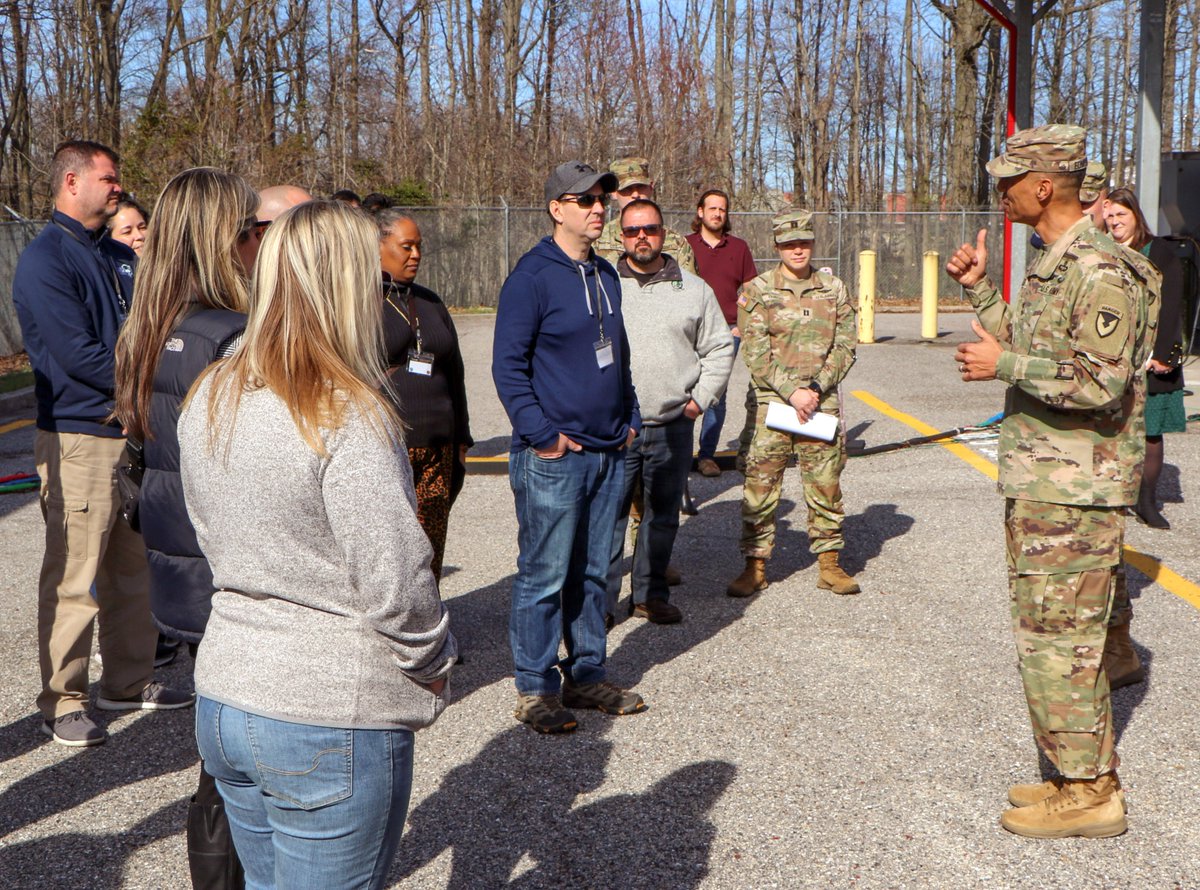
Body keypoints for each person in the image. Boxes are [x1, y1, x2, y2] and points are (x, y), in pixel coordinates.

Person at [180, 200, 455, 888]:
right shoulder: (347, 411)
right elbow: (396, 576)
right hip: (327, 715)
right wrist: (432, 660)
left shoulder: (213, 390)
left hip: (227, 695)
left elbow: (209, 532)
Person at [947, 124, 1158, 839]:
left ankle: (1093, 791)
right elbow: (1026, 337)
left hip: (1077, 492)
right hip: (1046, 484)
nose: (999, 192)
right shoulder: (1053, 262)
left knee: (1064, 642)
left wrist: (1001, 367)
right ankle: (1073, 775)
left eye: (1008, 180)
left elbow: (1100, 382)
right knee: (1049, 640)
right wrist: (979, 292)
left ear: (1044, 187)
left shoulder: (1104, 269)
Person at [12, 140, 193, 748]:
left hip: (130, 431)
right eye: (108, 179)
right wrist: (150, 383)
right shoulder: (46, 261)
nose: (118, 187)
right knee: (75, 574)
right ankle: (63, 699)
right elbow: (77, 356)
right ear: (72, 181)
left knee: (130, 567)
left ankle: (127, 679)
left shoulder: (116, 254)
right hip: (80, 437)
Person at [112, 167, 259, 887]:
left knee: (217, 762)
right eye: (251, 228)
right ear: (223, 240)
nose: (260, 241)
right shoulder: (232, 339)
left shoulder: (149, 327)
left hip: (179, 572)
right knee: (241, 770)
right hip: (228, 575)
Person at [492, 160, 645, 733]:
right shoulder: (531, 277)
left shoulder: (606, 275)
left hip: (609, 450)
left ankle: (586, 675)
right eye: (584, 201)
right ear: (557, 209)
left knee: (593, 573)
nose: (598, 208)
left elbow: (619, 354)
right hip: (557, 457)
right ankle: (535, 689)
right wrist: (542, 435)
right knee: (544, 575)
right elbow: (508, 367)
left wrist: (628, 416)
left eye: (601, 199)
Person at [605, 199, 733, 624]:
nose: (641, 237)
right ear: (620, 237)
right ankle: (600, 605)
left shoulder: (695, 289)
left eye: (650, 229)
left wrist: (699, 400)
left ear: (665, 233)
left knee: (661, 519)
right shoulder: (604, 284)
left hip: (672, 424)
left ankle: (649, 595)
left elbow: (718, 348)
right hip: (616, 427)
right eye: (632, 231)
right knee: (607, 522)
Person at [727, 209, 860, 599]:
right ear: (777, 246)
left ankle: (830, 564)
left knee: (825, 485)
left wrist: (816, 387)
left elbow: (846, 346)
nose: (797, 249)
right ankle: (755, 566)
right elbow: (754, 351)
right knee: (760, 486)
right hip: (773, 403)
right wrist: (792, 391)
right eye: (788, 243)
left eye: (803, 242)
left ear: (813, 243)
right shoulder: (758, 291)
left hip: (821, 402)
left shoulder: (833, 290)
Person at [375, 208, 473, 579]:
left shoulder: (430, 302)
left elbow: (455, 371)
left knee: (430, 549)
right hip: (388, 447)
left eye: (419, 246)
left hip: (438, 449)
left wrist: (462, 436)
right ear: (378, 247)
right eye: (406, 246)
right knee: (392, 552)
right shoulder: (359, 303)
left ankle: (429, 627)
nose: (415, 254)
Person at [1104, 186, 1185, 530]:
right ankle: (1113, 495)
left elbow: (1171, 305)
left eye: (1121, 214)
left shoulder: (1160, 252)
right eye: (1109, 216)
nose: (1115, 222)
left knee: (1150, 432)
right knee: (1111, 429)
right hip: (1112, 356)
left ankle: (1147, 500)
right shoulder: (1102, 250)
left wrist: (1165, 355)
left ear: (1136, 215)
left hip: (1152, 356)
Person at [685, 188, 759, 477]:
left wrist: (740, 322)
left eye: (722, 209)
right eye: (712, 208)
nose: (717, 213)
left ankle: (706, 456)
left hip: (728, 332)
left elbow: (751, 289)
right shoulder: (684, 246)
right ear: (700, 212)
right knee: (685, 389)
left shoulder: (738, 248)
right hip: (691, 329)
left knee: (717, 394)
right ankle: (679, 455)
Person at [593, 156, 695, 274]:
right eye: (627, 189)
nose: (635, 194)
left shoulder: (676, 243)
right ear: (613, 193)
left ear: (651, 187)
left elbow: (689, 287)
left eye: (641, 187)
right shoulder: (598, 242)